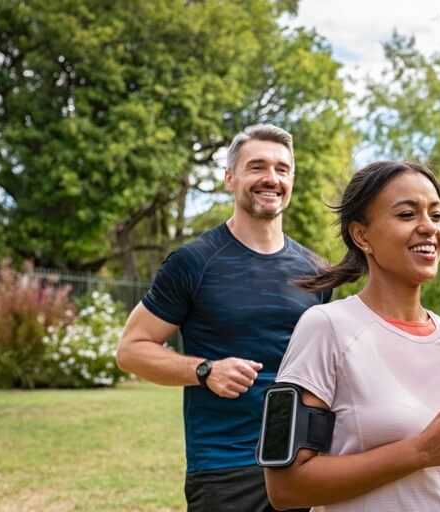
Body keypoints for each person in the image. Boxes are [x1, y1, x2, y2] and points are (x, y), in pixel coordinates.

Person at [263, 161, 440, 511]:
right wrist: (419, 451)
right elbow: (285, 488)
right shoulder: (325, 327)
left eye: (437, 216)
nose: (428, 228)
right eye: (407, 215)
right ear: (362, 235)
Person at [116, 124, 331, 512]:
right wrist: (205, 371)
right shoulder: (193, 262)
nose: (271, 178)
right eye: (257, 167)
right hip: (225, 467)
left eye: (282, 169)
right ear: (230, 179)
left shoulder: (315, 270)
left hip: (301, 460)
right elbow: (131, 350)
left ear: (292, 180)